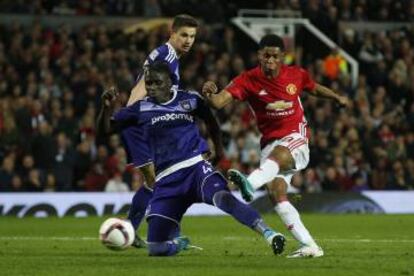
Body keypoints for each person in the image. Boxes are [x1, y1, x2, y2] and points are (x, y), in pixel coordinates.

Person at [97, 61, 286, 256]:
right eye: (149, 83)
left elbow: (211, 122)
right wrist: (106, 108)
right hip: (165, 181)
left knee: (223, 197)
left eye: (157, 83)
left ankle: (269, 234)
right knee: (156, 249)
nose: (151, 88)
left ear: (170, 82)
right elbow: (106, 131)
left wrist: (219, 150)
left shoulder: (190, 100)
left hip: (195, 168)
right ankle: (180, 243)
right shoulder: (140, 109)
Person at [202, 34, 350, 258]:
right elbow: (218, 103)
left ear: (282, 57)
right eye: (266, 55)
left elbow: (314, 88)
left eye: (275, 56)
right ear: (259, 56)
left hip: (295, 137)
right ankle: (310, 246)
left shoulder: (296, 74)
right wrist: (209, 93)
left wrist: (336, 97)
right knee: (276, 191)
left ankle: (250, 184)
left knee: (280, 154)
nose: (270, 59)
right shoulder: (247, 79)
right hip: (270, 144)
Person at [124, 14, 199, 247]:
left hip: (154, 127)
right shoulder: (166, 55)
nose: (188, 40)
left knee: (155, 181)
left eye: (192, 36)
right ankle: (167, 234)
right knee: (166, 180)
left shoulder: (170, 56)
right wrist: (129, 115)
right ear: (172, 33)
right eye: (184, 35)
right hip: (144, 126)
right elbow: (139, 90)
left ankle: (133, 230)